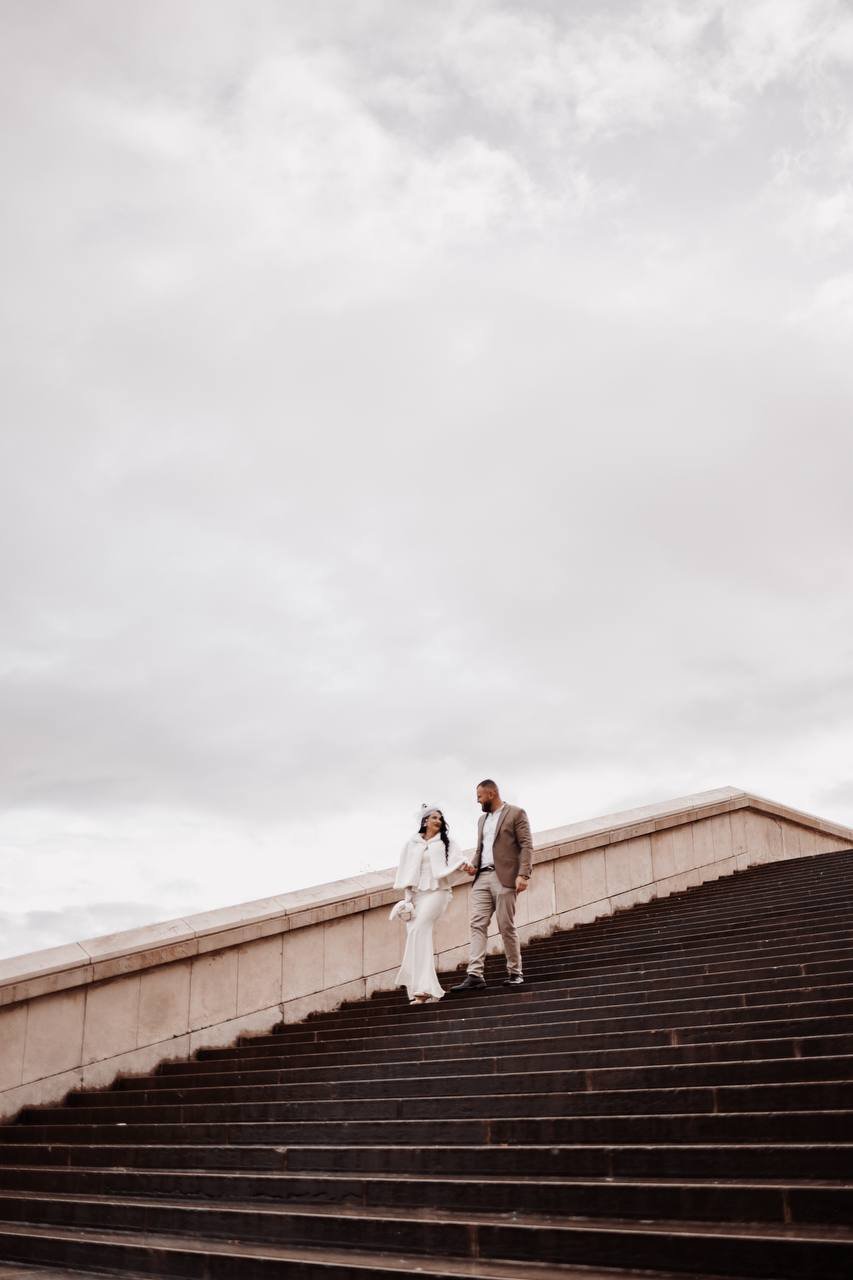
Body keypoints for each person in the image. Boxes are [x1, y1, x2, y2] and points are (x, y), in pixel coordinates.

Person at [450, 779, 532, 991]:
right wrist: (473, 866)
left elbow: (526, 845)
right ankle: (475, 974)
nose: (478, 801)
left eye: (480, 796)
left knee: (506, 925)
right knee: (477, 924)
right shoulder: (481, 820)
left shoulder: (516, 813)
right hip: (482, 878)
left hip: (504, 877)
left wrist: (523, 874)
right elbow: (481, 849)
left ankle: (515, 972)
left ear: (491, 794)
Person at [391, 804, 466, 1004]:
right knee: (414, 935)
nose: (438, 821)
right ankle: (419, 989)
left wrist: (465, 866)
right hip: (417, 895)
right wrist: (408, 900)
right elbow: (407, 872)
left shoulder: (446, 843)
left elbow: (458, 862)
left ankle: (422, 989)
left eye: (440, 818)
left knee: (419, 931)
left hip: (437, 892)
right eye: (434, 817)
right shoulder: (411, 844)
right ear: (425, 821)